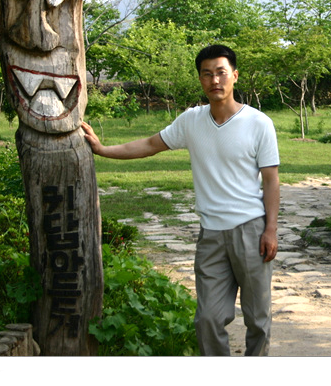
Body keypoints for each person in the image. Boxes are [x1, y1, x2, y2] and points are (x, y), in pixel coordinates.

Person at [81, 44, 280, 356]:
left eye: (221, 72)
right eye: (207, 74)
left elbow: (270, 179)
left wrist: (271, 229)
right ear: (200, 79)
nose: (215, 80)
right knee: (208, 318)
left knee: (257, 317)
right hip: (211, 234)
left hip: (251, 231)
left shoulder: (259, 123)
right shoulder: (191, 121)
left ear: (235, 76)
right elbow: (150, 144)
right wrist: (103, 149)